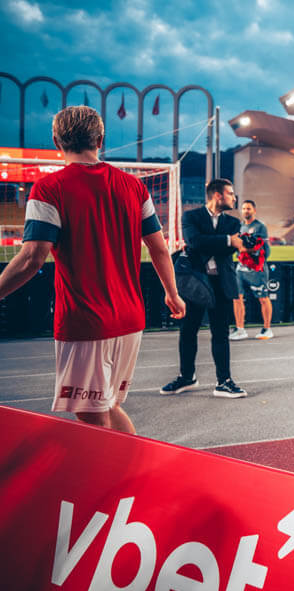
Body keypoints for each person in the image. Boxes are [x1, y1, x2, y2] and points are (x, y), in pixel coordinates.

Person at [0, 106, 185, 433]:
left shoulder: (49, 188)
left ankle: (123, 468)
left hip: (86, 321)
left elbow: (31, 259)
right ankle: (135, 466)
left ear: (56, 141)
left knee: (91, 418)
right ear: (100, 140)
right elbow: (158, 248)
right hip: (130, 318)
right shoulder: (134, 186)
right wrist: (172, 293)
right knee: (108, 407)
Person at [162, 179, 247, 399]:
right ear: (218, 195)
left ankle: (224, 381)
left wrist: (213, 243)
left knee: (221, 333)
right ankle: (186, 377)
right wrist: (227, 240)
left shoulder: (233, 222)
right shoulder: (191, 217)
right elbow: (195, 242)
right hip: (196, 282)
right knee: (188, 331)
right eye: (230, 193)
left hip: (222, 283)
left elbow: (211, 247)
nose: (234, 198)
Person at [229, 200, 274, 340]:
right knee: (237, 298)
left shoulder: (260, 227)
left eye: (248, 208)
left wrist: (244, 248)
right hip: (240, 268)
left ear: (254, 210)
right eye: (243, 208)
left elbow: (260, 248)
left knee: (263, 298)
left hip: (256, 269)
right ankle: (240, 329)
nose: (245, 211)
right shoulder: (240, 226)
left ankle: (267, 329)